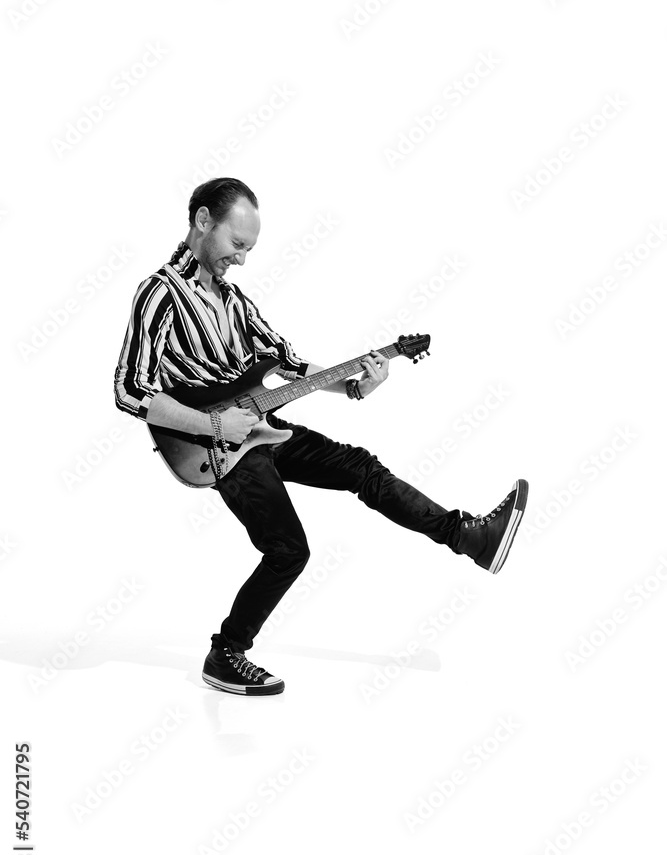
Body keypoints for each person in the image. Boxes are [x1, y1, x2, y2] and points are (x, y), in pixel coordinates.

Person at [115, 177, 528, 697]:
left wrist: (354, 383)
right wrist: (216, 425)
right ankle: (226, 654)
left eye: (249, 249)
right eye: (236, 244)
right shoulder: (158, 295)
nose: (241, 259)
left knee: (362, 468)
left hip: (258, 427)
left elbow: (289, 365)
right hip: (215, 450)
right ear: (202, 221)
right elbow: (130, 390)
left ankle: (470, 538)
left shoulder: (235, 301)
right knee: (289, 549)